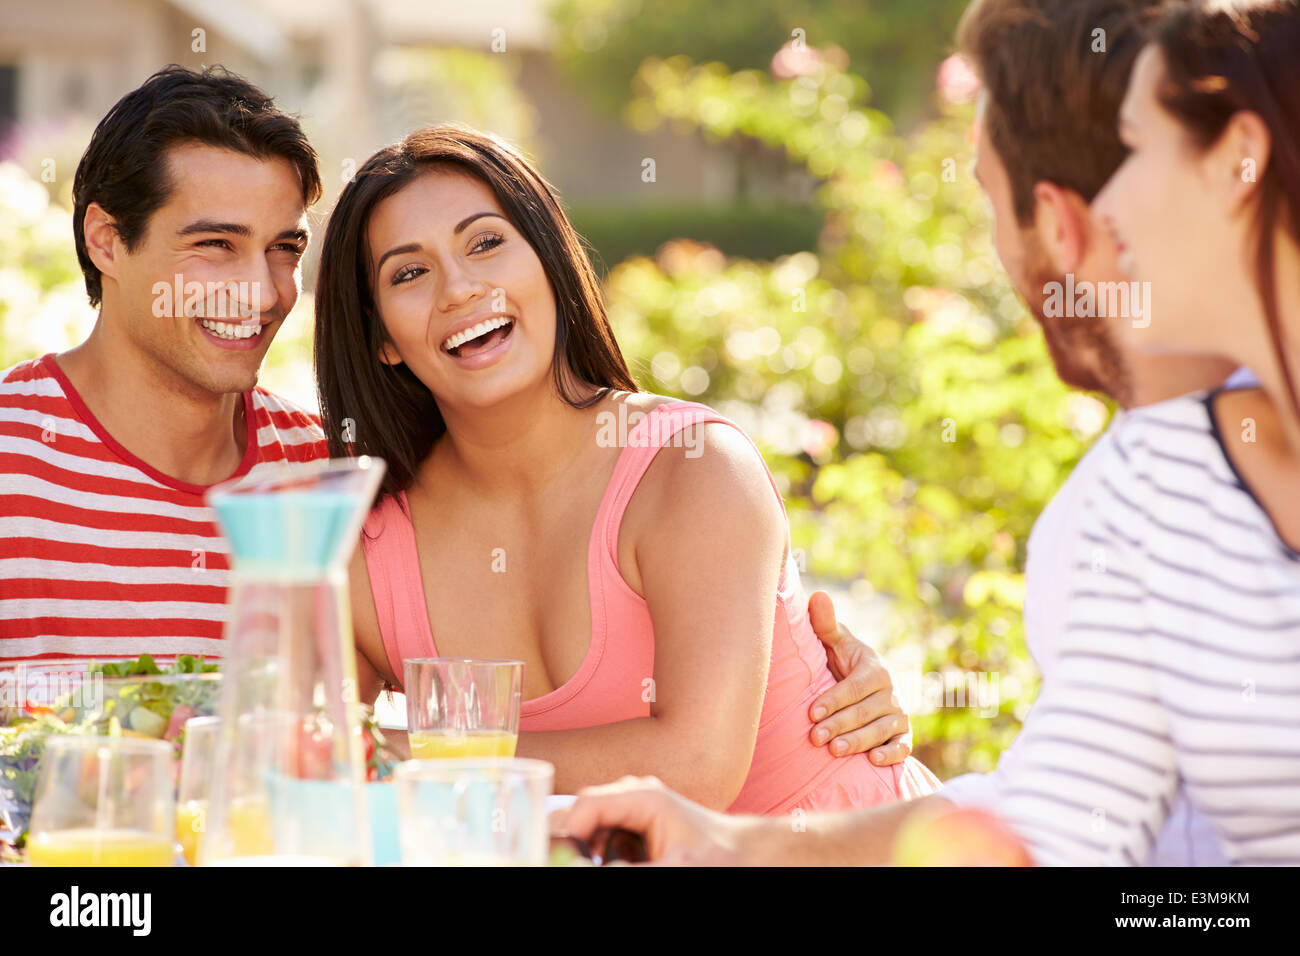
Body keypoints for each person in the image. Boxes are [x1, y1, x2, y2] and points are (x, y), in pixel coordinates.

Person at [555, 0, 1300, 864]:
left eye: (1146, 153)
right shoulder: (1165, 472)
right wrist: (738, 845)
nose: (1110, 208)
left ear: (1242, 158)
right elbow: (1064, 827)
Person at [313, 125, 939, 809]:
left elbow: (696, 768)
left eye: (487, 243)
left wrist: (420, 752)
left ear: (548, 260)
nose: (459, 288)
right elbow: (306, 759)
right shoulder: (366, 558)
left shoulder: (692, 468)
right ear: (381, 340)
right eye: (410, 272)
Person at [0, 65, 328, 663]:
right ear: (107, 241)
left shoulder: (322, 478)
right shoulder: (9, 459)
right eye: (215, 245)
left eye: (285, 248)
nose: (261, 293)